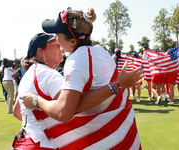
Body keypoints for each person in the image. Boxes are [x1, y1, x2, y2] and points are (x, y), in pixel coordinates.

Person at [22, 7, 143, 149]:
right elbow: (78, 103)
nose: (55, 38)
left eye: (57, 34)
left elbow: (64, 112)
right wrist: (117, 86)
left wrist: (37, 101)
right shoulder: (101, 51)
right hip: (126, 136)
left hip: (105, 141)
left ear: (72, 41)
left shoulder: (76, 61)